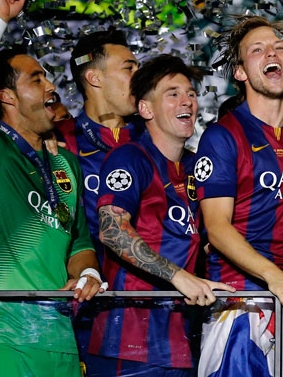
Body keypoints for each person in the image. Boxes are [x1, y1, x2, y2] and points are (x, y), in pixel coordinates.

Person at [0, 0, 104, 377]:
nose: (51, 85)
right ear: (6, 97)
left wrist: (88, 273)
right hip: (0, 335)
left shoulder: (66, 163)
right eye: (36, 78)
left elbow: (78, 243)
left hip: (59, 340)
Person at [191, 16, 283, 377]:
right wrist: (273, 276)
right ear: (240, 73)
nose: (272, 53)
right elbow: (217, 228)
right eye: (258, 49)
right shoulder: (223, 136)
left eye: (280, 48)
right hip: (241, 304)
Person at [89, 54, 233, 377]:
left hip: (180, 340)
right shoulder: (130, 157)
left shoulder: (196, 167)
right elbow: (111, 230)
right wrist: (179, 277)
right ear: (146, 109)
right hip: (128, 341)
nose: (187, 101)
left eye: (191, 93)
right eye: (173, 94)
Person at [54, 30, 142, 266]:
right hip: (84, 281)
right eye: (129, 68)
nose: (141, 76)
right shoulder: (58, 138)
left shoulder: (156, 137)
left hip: (154, 282)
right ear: (94, 78)